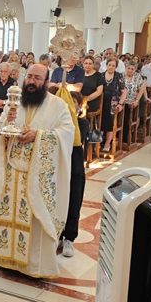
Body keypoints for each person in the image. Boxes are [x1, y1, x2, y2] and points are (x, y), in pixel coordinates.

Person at [0, 63, 74, 279]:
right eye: (29, 76)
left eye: (37, 78)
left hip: (37, 177)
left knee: (35, 219)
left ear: (46, 81)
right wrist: (5, 126)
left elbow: (67, 133)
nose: (31, 81)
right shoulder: (16, 101)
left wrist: (38, 135)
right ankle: (7, 260)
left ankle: (35, 266)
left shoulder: (58, 105)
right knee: (9, 214)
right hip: (12, 173)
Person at [58, 92, 88, 258]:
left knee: (73, 200)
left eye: (73, 102)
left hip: (75, 168)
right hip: (60, 165)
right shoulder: (58, 124)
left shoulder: (82, 123)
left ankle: (69, 237)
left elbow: (76, 139)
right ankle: (58, 234)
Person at [101, 56, 126, 153]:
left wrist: (120, 104)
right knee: (97, 123)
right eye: (109, 65)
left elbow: (124, 92)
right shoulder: (101, 75)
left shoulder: (118, 76)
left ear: (116, 67)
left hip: (113, 105)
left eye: (113, 65)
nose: (111, 67)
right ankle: (96, 143)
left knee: (109, 124)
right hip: (101, 103)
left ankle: (107, 144)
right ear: (106, 65)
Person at [123, 60, 147, 142]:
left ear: (135, 69)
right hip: (121, 101)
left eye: (132, 69)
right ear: (126, 68)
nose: (130, 70)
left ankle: (127, 137)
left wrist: (136, 100)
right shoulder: (121, 75)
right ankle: (119, 135)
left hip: (132, 102)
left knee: (128, 118)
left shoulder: (137, 76)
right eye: (128, 68)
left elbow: (141, 89)